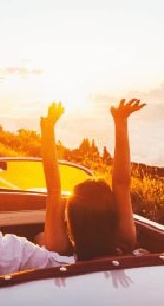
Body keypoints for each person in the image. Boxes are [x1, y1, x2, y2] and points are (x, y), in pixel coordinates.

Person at [40, 99, 145, 261]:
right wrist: (121, 121)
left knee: (38, 238)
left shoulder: (61, 251)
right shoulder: (124, 242)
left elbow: (54, 189)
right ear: (113, 217)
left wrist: (47, 128)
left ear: (71, 223)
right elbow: (121, 184)